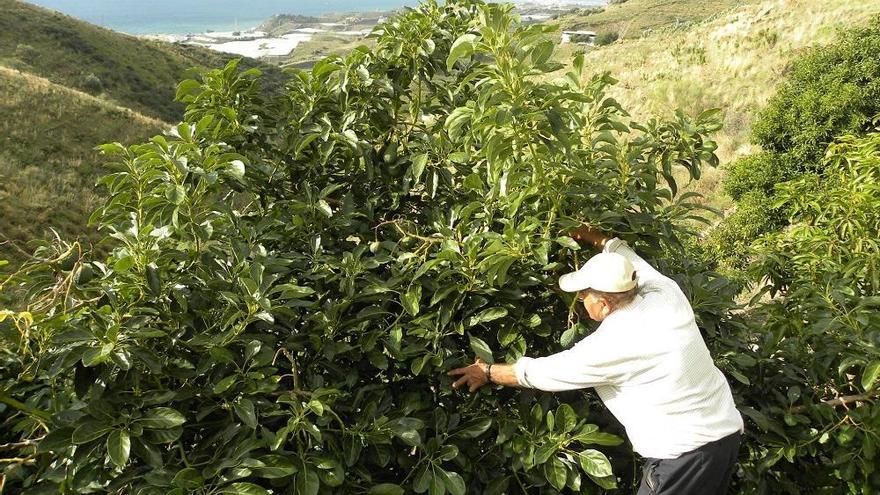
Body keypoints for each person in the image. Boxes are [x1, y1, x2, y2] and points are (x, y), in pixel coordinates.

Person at [447, 226, 744, 495]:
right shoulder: (664, 293)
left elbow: (542, 373)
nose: (580, 299)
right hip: (725, 437)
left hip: (685, 456)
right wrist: (594, 236)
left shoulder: (613, 343)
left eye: (583, 294)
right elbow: (630, 259)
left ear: (601, 304)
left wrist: (485, 372)